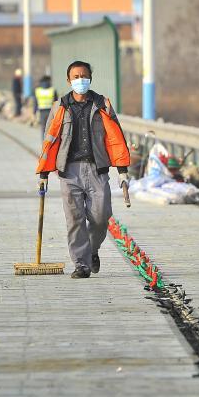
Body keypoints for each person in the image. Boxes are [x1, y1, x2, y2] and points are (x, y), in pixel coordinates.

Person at [36, 60, 131, 279]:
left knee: (101, 217)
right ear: (68, 80)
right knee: (74, 220)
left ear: (90, 78)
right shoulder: (59, 107)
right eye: (76, 77)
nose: (80, 80)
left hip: (97, 170)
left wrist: (122, 170)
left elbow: (115, 138)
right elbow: (50, 141)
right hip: (69, 172)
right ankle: (81, 265)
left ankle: (92, 249)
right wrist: (43, 174)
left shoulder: (102, 105)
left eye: (84, 76)